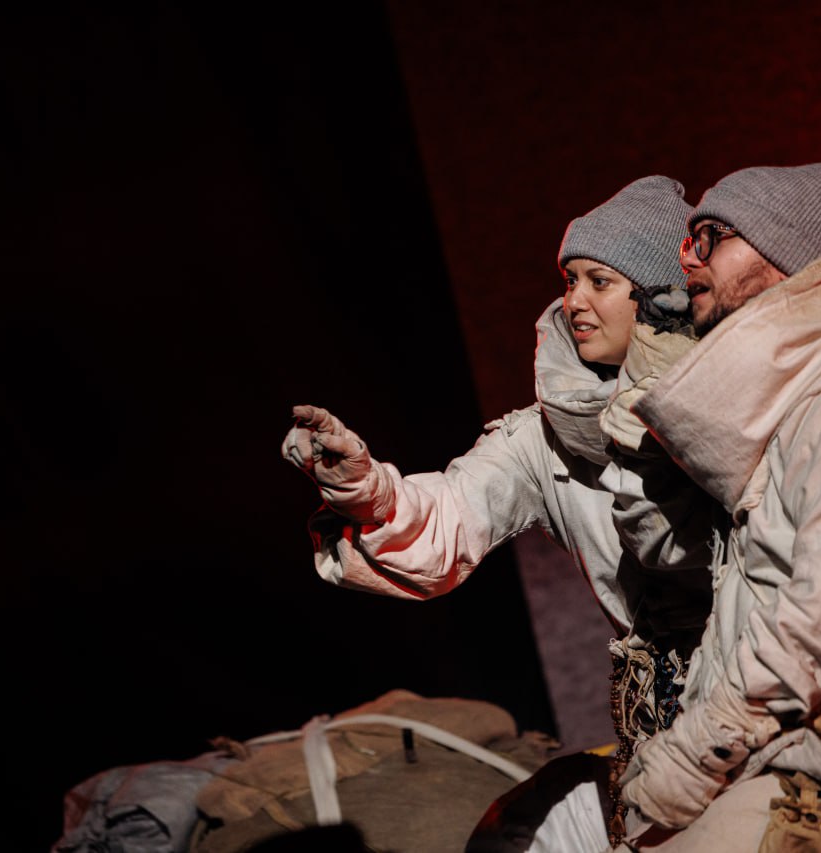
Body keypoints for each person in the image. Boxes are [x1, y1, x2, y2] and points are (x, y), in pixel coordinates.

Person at [280, 175, 718, 825]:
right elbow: (448, 518)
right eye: (570, 280)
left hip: (763, 694)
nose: (574, 300)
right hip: (660, 726)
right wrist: (363, 488)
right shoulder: (546, 437)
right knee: (516, 830)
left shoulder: (732, 404)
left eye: (599, 281)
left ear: (657, 295)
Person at [602, 158, 821, 850]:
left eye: (710, 237)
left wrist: (689, 759)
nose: (687, 256)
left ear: (779, 254)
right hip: (798, 753)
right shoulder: (796, 408)